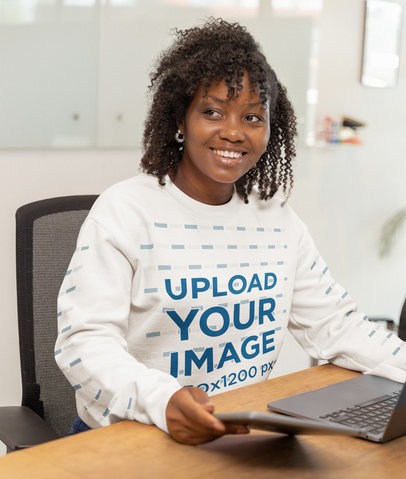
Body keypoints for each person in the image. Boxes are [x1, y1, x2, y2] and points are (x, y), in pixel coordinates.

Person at [55, 18, 405, 445]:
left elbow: (335, 324)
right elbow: (85, 343)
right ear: (180, 120)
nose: (234, 132)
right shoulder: (126, 211)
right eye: (213, 111)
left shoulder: (276, 218)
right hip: (135, 432)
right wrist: (162, 400)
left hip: (238, 433)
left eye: (253, 116)